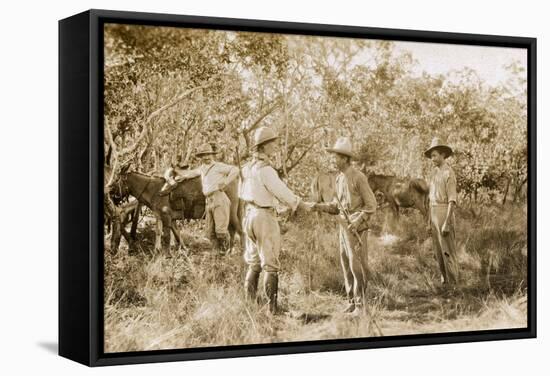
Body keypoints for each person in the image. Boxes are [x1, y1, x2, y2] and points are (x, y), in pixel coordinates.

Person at [239, 126, 313, 314]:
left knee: (253, 262)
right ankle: (272, 309)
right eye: (272, 143)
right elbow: (283, 193)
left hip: (249, 215)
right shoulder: (266, 170)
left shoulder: (247, 168)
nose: (276, 146)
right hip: (263, 216)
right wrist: (301, 204)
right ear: (263, 147)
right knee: (270, 264)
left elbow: (243, 193)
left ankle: (250, 306)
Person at [313, 137, 377, 314]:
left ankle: (360, 304)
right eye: (333, 156)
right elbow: (336, 206)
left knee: (357, 265)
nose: (333, 159)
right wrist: (317, 206)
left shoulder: (359, 177)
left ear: (345, 158)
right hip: (343, 227)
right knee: (346, 263)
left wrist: (357, 221)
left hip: (356, 228)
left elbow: (372, 205)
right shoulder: (339, 178)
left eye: (336, 156)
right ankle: (351, 300)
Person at [424, 137, 459, 287]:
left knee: (448, 250)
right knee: (438, 251)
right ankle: (444, 281)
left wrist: (447, 222)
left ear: (443, 155)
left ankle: (454, 283)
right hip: (434, 212)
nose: (433, 159)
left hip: (445, 212)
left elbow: (452, 200)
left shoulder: (448, 173)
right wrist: (428, 221)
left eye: (435, 155)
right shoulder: (434, 173)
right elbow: (431, 199)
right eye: (431, 156)